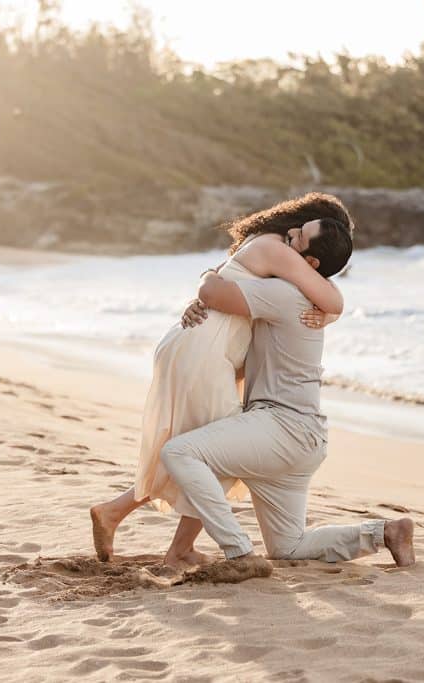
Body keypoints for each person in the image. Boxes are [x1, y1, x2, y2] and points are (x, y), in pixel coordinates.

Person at [91, 192, 358, 568]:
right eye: (304, 229)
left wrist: (208, 282)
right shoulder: (279, 248)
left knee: (203, 451)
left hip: (202, 348)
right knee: (210, 455)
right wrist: (328, 315)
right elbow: (331, 298)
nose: (295, 232)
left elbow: (227, 282)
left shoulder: (265, 246)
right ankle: (134, 524)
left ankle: (138, 525)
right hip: (206, 352)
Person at [158, 221, 416, 579]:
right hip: (300, 436)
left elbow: (215, 293)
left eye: (297, 236)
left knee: (179, 452)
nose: (288, 234)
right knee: (287, 546)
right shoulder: (303, 296)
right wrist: (196, 306)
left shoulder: (283, 294)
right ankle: (384, 532)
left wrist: (204, 281)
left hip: (281, 428)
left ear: (310, 263)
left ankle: (238, 552)